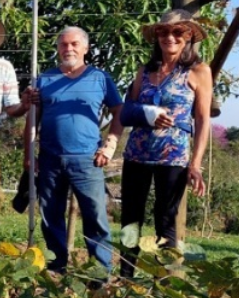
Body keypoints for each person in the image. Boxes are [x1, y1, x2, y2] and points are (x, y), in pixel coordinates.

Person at [21, 26, 124, 277]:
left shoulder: (100, 78)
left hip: (88, 159)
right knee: (50, 214)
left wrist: (109, 145)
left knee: (95, 216)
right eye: (64, 44)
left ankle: (100, 272)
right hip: (49, 157)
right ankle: (58, 265)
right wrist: (28, 154)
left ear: (86, 48)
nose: (69, 49)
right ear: (57, 48)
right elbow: (33, 120)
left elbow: (119, 113)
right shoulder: (44, 80)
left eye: (74, 44)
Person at [117, 9, 212, 278]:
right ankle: (126, 279)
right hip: (136, 154)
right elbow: (128, 109)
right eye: (163, 32)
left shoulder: (198, 71)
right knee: (130, 221)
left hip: (173, 160)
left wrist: (196, 163)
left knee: (166, 222)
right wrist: (147, 115)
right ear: (156, 36)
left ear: (189, 36)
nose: (169, 37)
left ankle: (165, 283)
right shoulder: (144, 71)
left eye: (177, 32)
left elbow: (203, 120)